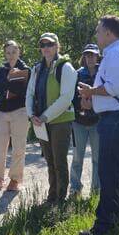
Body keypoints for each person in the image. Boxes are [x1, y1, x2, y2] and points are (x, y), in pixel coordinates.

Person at [78, 16, 119, 235]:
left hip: (116, 120)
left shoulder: (114, 54)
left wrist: (90, 92)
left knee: (108, 172)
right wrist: (92, 97)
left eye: (98, 30)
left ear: (108, 33)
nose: (96, 34)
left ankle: (103, 228)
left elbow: (113, 89)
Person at [25, 33, 77, 204]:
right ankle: (52, 196)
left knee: (59, 161)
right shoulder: (37, 68)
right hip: (40, 121)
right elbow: (30, 93)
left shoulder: (66, 67)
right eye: (43, 44)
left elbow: (66, 98)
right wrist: (31, 114)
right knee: (49, 160)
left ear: (57, 46)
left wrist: (45, 116)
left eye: (50, 44)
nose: (46, 48)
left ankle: (60, 199)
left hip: (59, 121)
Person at [0, 40, 31, 192]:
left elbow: (25, 91)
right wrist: (8, 79)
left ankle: (15, 179)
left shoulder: (26, 69)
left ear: (19, 52)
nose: (11, 55)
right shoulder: (1, 69)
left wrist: (8, 85)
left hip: (20, 110)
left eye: (14, 52)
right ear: (5, 54)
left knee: (19, 146)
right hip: (2, 112)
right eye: (8, 52)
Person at [70, 44, 101, 196]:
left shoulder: (103, 72)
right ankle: (75, 189)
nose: (90, 58)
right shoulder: (77, 74)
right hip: (79, 122)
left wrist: (92, 104)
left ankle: (96, 190)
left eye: (93, 55)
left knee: (97, 158)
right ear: (84, 57)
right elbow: (70, 97)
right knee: (77, 158)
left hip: (97, 121)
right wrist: (80, 104)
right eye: (87, 55)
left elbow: (108, 93)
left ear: (97, 56)